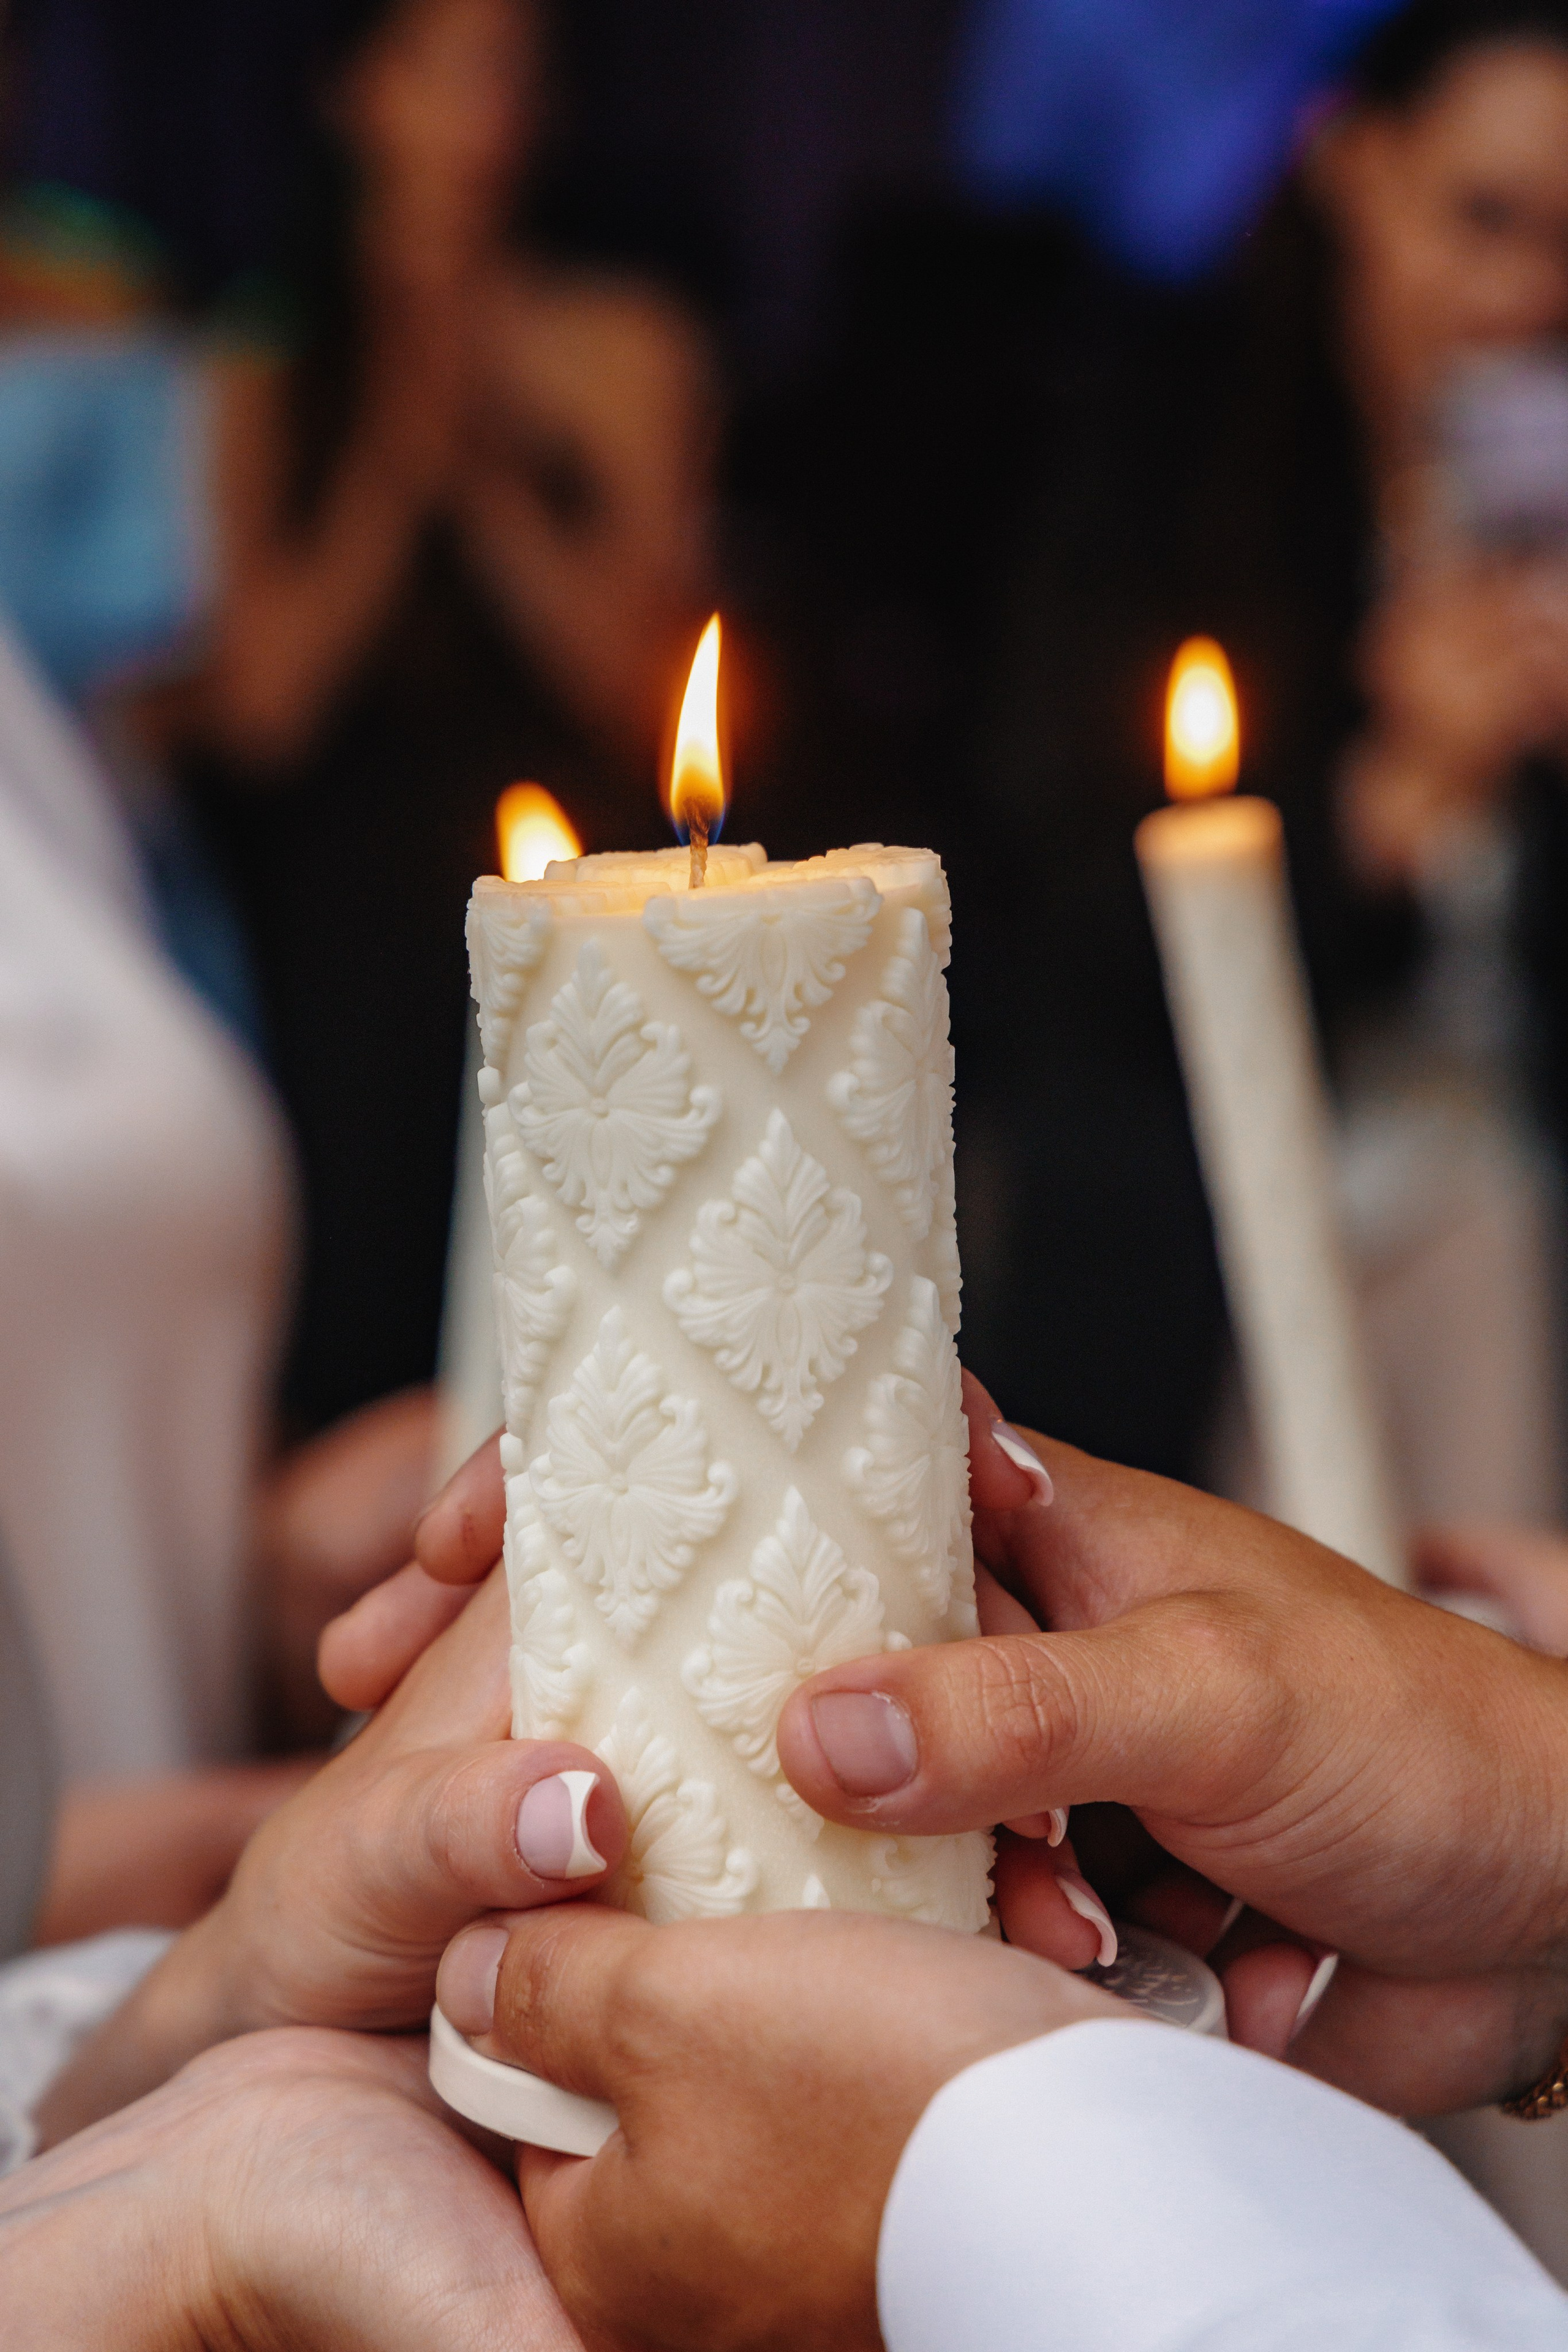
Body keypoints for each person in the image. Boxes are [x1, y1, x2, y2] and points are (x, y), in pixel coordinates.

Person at [176, 0, 719, 1436]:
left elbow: (639, 683)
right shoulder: (265, 365)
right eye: (442, 68)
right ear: (356, 92)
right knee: (358, 1324)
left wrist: (481, 459)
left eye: (512, 72)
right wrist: (392, 454)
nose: (482, 114)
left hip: (569, 878)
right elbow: (263, 706)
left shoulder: (618, 345)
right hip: (347, 927)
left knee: (583, 1315)